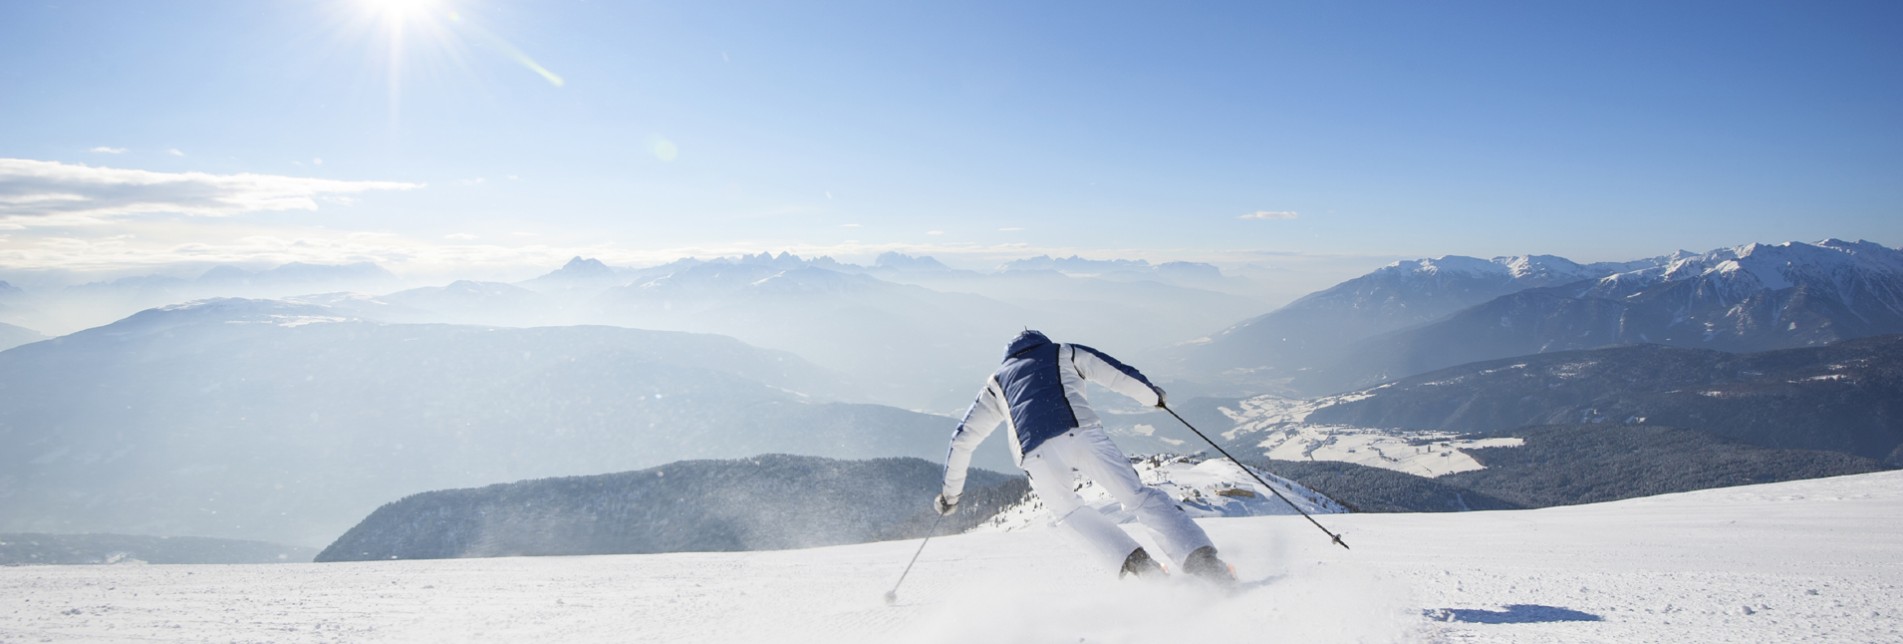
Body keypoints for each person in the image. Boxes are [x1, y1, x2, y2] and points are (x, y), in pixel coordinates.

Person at [935, 329, 1233, 581]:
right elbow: (1115, 374)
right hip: (1081, 433)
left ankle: (1142, 569)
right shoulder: (1062, 352)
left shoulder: (997, 382)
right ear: (1040, 342)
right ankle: (1203, 563)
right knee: (1137, 497)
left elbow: (963, 439)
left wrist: (951, 495)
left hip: (1036, 456)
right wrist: (1152, 397)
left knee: (1069, 514)